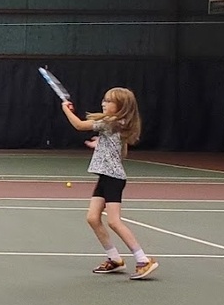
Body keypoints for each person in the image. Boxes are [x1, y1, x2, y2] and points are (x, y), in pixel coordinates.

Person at [61, 87, 158, 281]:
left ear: (121, 107)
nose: (104, 103)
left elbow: (80, 125)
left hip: (113, 178)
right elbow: (119, 150)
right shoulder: (117, 125)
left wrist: (66, 109)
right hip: (106, 176)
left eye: (109, 101)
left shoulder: (110, 122)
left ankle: (143, 260)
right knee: (92, 218)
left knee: (114, 221)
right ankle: (114, 258)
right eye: (104, 99)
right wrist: (100, 144)